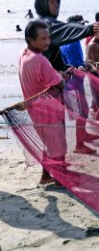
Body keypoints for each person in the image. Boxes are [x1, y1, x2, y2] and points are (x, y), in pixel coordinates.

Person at [18, 20, 67, 185]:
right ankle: (61, 180)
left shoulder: (24, 54)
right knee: (57, 145)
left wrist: (55, 74)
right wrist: (62, 77)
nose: (47, 42)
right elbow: (60, 85)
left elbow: (42, 79)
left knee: (49, 143)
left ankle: (46, 176)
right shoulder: (40, 60)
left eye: (48, 38)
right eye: (43, 39)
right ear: (30, 40)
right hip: (48, 110)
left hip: (35, 110)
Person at [60, 15, 99, 154]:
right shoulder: (71, 44)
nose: (84, 28)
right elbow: (72, 68)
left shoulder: (72, 40)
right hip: (72, 85)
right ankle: (79, 145)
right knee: (80, 114)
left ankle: (84, 135)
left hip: (76, 84)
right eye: (81, 25)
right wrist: (84, 69)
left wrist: (85, 65)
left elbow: (77, 63)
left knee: (84, 111)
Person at [34, 0, 99, 73]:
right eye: (52, 2)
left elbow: (55, 57)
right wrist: (88, 29)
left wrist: (65, 68)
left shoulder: (41, 22)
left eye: (57, 2)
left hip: (50, 75)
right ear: (42, 5)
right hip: (46, 80)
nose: (56, 5)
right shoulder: (45, 24)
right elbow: (65, 28)